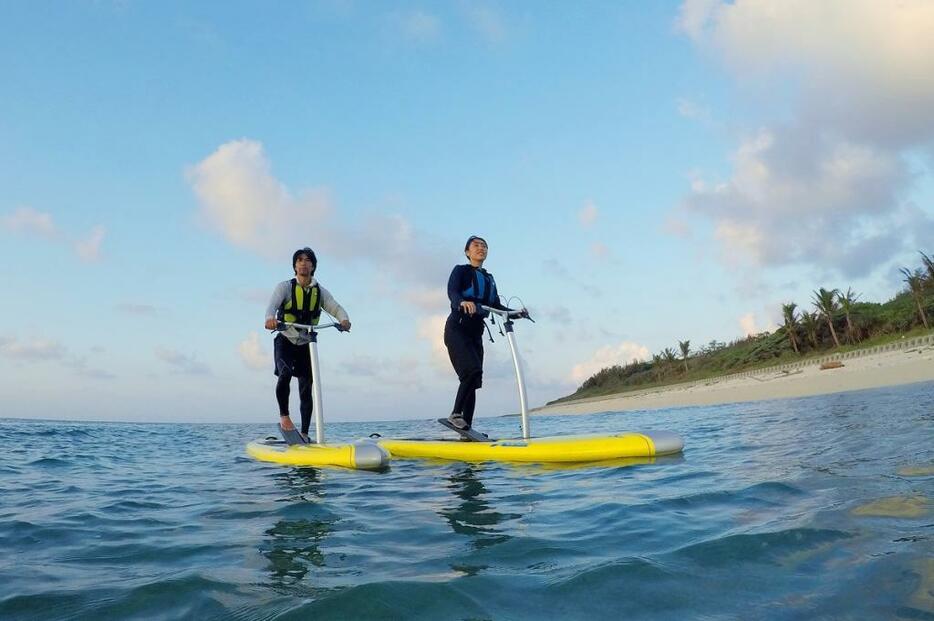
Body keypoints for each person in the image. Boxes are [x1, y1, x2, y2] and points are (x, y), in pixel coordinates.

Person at [264, 247, 351, 443]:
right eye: (300, 260)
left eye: (308, 260)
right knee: (285, 374)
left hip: (306, 344)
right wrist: (270, 319)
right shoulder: (285, 287)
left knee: (306, 388)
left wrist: (344, 320)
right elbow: (271, 306)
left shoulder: (320, 292)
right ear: (295, 265)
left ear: (313, 266)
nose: (304, 263)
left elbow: (335, 307)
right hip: (286, 339)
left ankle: (304, 433)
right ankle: (285, 416)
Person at [444, 235, 523, 431]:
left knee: (474, 380)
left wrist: (516, 313)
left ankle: (466, 430)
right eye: (476, 245)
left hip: (476, 332)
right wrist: (461, 302)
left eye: (485, 246)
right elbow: (453, 292)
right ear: (467, 252)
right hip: (457, 328)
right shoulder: (460, 271)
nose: (481, 248)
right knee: (471, 371)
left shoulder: (489, 278)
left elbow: (495, 305)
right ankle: (455, 414)